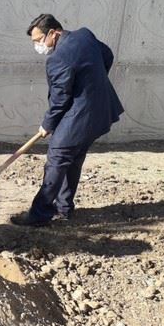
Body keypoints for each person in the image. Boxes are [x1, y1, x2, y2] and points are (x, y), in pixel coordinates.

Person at [10, 14, 124, 227]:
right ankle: (63, 208)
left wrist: (47, 124)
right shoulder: (84, 35)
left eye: (38, 40)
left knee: (57, 157)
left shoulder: (58, 58)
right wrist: (92, 83)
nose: (37, 46)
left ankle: (39, 215)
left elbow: (60, 98)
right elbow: (107, 55)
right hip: (101, 111)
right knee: (74, 158)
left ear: (53, 32)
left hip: (80, 115)